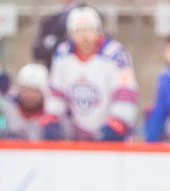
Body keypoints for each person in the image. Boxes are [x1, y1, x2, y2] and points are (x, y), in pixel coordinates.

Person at [46, 5, 137, 141]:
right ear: (71, 34)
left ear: (98, 31)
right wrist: (52, 117)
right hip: (76, 133)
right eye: (78, 31)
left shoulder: (116, 55)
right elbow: (56, 92)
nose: (84, 37)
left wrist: (117, 121)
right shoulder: (62, 55)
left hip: (110, 130)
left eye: (89, 30)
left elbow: (125, 91)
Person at [0, 62, 62, 140]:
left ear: (43, 93)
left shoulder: (51, 119)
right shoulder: (6, 109)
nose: (30, 95)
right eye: (25, 90)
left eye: (35, 91)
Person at [31, 0, 80, 68]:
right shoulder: (51, 20)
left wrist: (55, 42)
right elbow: (37, 51)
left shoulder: (89, 14)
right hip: (55, 68)